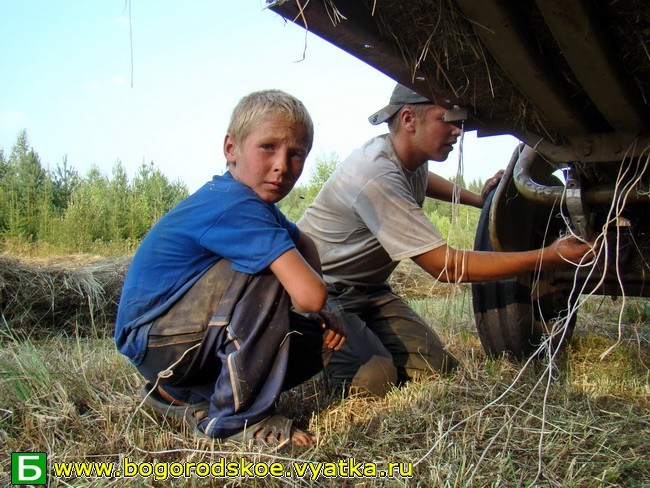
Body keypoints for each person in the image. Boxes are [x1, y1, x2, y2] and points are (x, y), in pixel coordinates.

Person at [297, 83, 594, 397]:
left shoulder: (406, 157)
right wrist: (549, 256)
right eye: (448, 120)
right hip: (320, 295)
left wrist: (477, 199)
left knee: (437, 370)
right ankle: (308, 348)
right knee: (374, 383)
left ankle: (365, 343)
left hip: (370, 292)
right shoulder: (376, 175)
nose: (458, 132)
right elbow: (446, 268)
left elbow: (424, 181)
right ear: (409, 119)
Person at [114, 89, 345, 449]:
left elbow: (306, 244)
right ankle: (235, 420)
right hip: (155, 339)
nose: (283, 165)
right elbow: (311, 295)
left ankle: (180, 394)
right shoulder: (234, 204)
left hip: (167, 342)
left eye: (296, 153)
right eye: (268, 147)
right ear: (231, 149)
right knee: (268, 268)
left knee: (315, 338)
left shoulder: (253, 203)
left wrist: (321, 313)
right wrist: (318, 307)